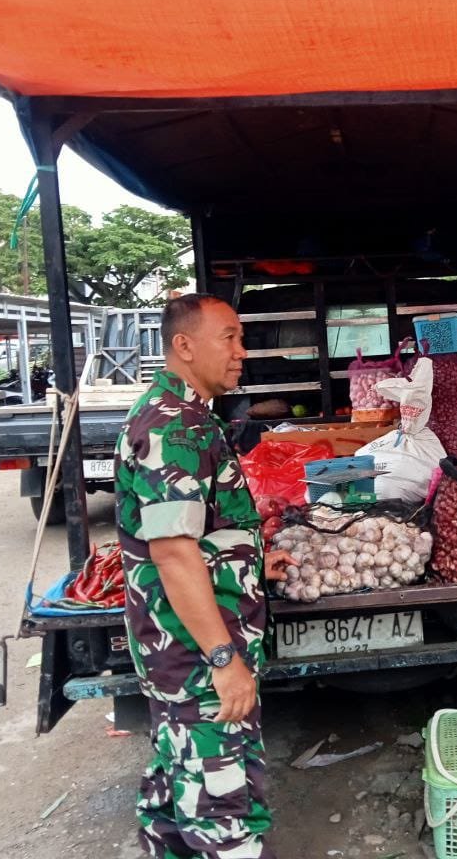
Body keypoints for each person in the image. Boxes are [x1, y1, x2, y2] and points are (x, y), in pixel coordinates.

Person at [115, 293, 293, 859]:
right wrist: (223, 660)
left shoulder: (188, 416)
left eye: (242, 338)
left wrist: (247, 561)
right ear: (184, 346)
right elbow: (172, 555)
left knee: (177, 789)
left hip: (183, 652)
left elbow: (194, 534)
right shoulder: (173, 429)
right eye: (229, 338)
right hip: (194, 657)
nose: (242, 352)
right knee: (222, 808)